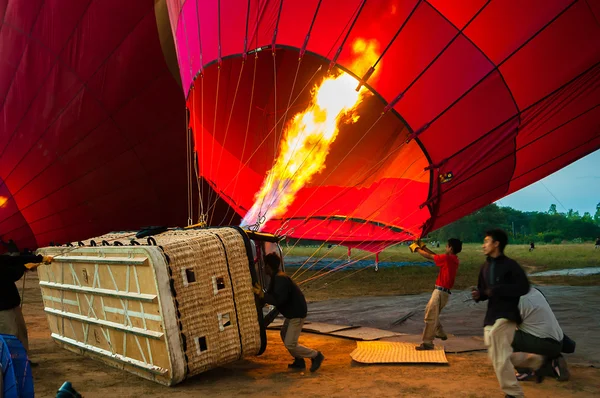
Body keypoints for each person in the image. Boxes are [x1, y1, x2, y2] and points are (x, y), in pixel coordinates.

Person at [471, 229, 530, 398]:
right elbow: (484, 291)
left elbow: (524, 288)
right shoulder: (485, 267)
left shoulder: (511, 266)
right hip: (491, 315)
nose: (483, 245)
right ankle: (534, 361)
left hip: (507, 314)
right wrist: (479, 295)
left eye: (487, 241)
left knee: (499, 354)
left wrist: (498, 289)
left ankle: (514, 394)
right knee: (497, 356)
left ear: (496, 244)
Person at [252, 253, 324, 372]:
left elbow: (277, 300)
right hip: (291, 313)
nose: (263, 268)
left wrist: (262, 295)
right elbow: (270, 296)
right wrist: (261, 297)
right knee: (284, 334)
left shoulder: (280, 278)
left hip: (296, 314)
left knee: (290, 343)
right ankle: (299, 360)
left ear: (269, 266)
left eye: (264, 266)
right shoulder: (276, 277)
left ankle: (316, 355)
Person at [511, 287, 572, 382]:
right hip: (560, 340)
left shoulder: (514, 300)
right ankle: (554, 360)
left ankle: (526, 371)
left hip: (546, 343)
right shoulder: (534, 291)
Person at [413, 238, 462, 350]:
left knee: (430, 316)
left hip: (439, 292)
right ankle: (439, 331)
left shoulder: (447, 258)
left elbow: (429, 257)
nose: (445, 248)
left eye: (447, 246)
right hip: (443, 292)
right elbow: (435, 256)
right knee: (429, 311)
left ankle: (427, 343)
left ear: (450, 248)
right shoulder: (452, 259)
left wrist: (416, 249)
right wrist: (423, 246)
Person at [1, 252, 53, 352]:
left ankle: (24, 360)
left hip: (12, 303)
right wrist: (24, 267)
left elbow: (14, 260)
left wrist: (39, 258)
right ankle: (13, 363)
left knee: (21, 333)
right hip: (3, 308)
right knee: (10, 335)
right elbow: (9, 275)